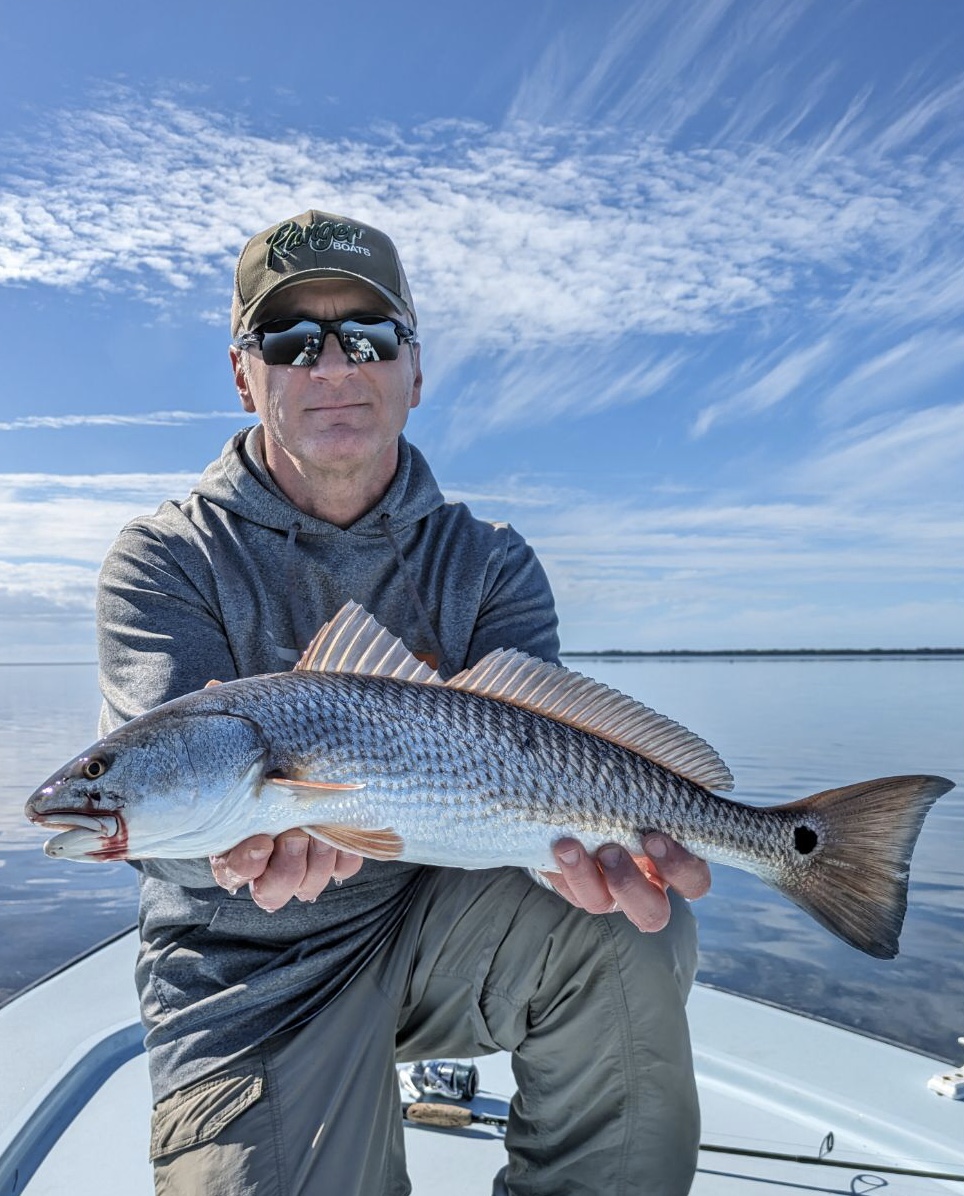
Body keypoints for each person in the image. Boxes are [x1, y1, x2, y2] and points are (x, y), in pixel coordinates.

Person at [96, 208, 710, 1196]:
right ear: (244, 370)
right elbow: (161, 811)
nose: (333, 364)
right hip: (244, 987)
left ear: (414, 369)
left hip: (430, 926)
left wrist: (593, 852)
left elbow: (543, 771)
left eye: (368, 336)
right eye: (292, 339)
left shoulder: (491, 559)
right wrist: (236, 838)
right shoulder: (166, 558)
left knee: (635, 920)